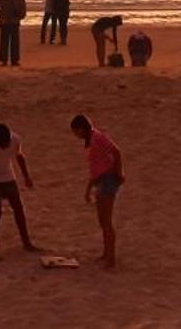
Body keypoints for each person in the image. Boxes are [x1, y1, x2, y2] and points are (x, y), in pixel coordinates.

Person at [70, 113, 123, 268]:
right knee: (102, 220)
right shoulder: (92, 141)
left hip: (107, 180)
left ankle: (111, 258)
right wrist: (88, 190)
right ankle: (106, 253)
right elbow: (94, 170)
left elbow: (116, 152)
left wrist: (120, 173)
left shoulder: (98, 138)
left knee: (106, 221)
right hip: (101, 181)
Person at [0, 122, 37, 259]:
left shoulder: (15, 139)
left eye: (5, 143)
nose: (4, 146)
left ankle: (27, 243)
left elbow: (19, 157)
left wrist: (26, 177)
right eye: (1, 144)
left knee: (19, 209)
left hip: (8, 178)